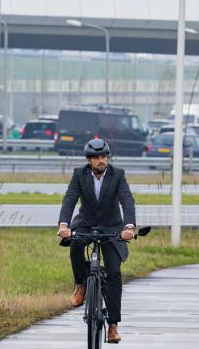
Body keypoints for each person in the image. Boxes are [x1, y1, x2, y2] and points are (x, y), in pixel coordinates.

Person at [58, 138, 136, 344]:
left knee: (113, 273)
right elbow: (70, 199)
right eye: (97, 158)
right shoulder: (79, 174)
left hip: (112, 227)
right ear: (89, 160)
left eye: (104, 157)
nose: (102, 161)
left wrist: (129, 227)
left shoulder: (118, 175)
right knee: (75, 244)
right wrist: (64, 225)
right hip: (86, 223)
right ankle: (80, 285)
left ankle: (113, 326)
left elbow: (127, 199)